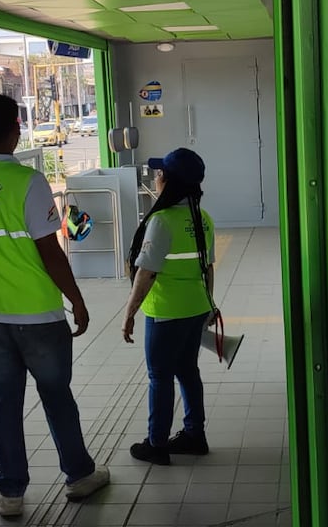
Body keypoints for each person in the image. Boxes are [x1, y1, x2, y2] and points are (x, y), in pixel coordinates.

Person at [0, 95, 109, 517]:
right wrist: (77, 299)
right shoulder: (29, 182)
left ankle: (11, 493)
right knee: (56, 397)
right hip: (38, 314)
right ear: (18, 129)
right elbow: (50, 252)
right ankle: (79, 476)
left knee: (4, 404)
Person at [121, 148, 215, 465]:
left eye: (161, 173)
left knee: (159, 377)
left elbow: (146, 273)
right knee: (188, 371)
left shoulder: (161, 221)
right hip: (196, 308)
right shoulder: (202, 218)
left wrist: (129, 313)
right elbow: (208, 267)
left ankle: (157, 444)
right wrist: (210, 305)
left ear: (170, 181)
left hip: (166, 312)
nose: (157, 178)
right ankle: (194, 435)